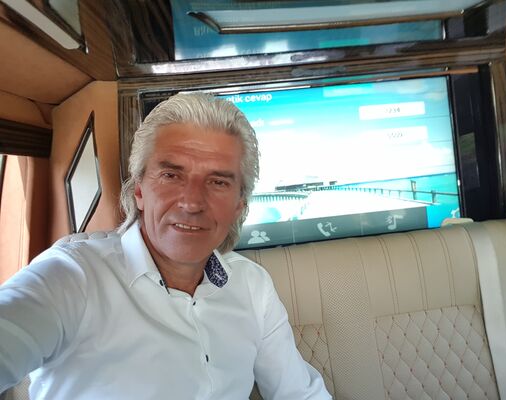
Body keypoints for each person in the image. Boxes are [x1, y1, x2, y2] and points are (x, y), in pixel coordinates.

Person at [0, 93, 331, 399]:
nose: (192, 202)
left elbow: (300, 395)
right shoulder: (72, 277)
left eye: (218, 182)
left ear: (238, 207)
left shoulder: (253, 286)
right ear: (139, 191)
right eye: (172, 176)